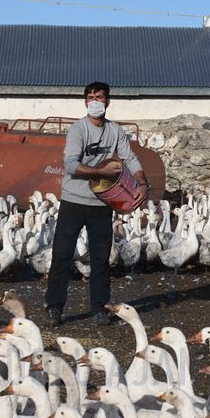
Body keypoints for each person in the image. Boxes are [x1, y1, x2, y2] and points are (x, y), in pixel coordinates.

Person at [44, 82, 148, 327]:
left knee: (101, 258)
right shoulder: (78, 130)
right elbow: (70, 164)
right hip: (73, 201)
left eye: (99, 97)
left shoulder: (115, 131)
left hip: (102, 203)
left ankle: (100, 308)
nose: (94, 102)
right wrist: (101, 170)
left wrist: (142, 183)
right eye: (90, 98)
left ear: (107, 102)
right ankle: (55, 307)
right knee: (62, 256)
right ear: (85, 102)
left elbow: (129, 158)